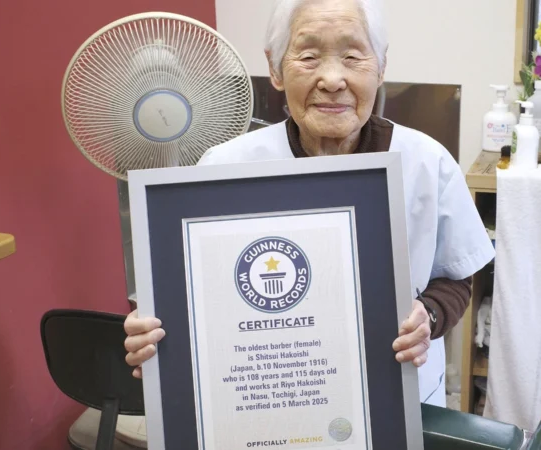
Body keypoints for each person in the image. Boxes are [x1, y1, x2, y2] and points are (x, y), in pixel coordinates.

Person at [123, 0, 494, 407]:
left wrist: (429, 316)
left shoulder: (427, 162)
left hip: (397, 398)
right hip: (265, 400)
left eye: (353, 56)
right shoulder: (224, 167)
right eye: (309, 56)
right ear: (276, 68)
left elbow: (457, 277)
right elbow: (189, 291)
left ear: (381, 66)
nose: (332, 79)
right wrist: (156, 335)